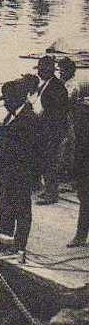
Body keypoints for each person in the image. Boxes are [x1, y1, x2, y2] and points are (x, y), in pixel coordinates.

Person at [0, 80, 41, 263]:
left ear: (15, 99)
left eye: (6, 99)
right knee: (5, 207)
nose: (4, 102)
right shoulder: (11, 116)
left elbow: (35, 153)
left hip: (20, 176)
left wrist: (33, 178)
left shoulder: (29, 119)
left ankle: (19, 245)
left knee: (21, 210)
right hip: (7, 174)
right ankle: (6, 239)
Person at [32, 55, 69, 204]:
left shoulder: (57, 87)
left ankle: (51, 194)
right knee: (44, 159)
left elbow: (57, 113)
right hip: (45, 128)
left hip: (53, 131)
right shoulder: (46, 84)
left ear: (49, 69)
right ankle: (46, 188)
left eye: (41, 69)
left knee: (50, 161)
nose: (39, 72)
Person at [67, 99, 89, 247]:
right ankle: (80, 235)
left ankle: (80, 236)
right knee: (85, 201)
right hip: (84, 167)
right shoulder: (81, 129)